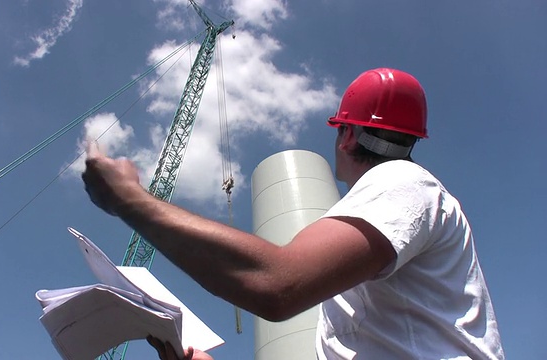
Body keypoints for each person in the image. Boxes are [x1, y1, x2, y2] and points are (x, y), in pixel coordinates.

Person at [82, 68, 504, 359]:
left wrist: (129, 200)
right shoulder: (392, 219)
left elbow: (278, 283)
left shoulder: (400, 181)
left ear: (346, 134)